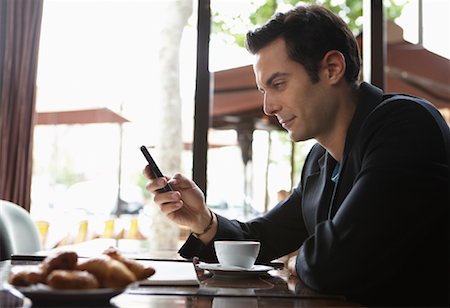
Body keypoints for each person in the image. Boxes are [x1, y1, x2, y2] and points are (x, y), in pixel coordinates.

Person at [144, 5, 449, 307]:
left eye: (278, 84)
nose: (268, 107)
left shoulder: (405, 125)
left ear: (332, 68)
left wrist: (300, 258)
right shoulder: (320, 159)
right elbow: (261, 239)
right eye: (263, 90)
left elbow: (337, 264)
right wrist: (204, 220)